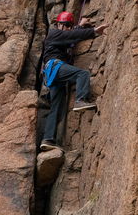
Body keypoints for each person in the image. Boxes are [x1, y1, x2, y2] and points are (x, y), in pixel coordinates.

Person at [40, 11, 109, 151]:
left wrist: (80, 26)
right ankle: (81, 99)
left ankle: (48, 139)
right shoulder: (54, 33)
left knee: (56, 107)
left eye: (69, 26)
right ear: (58, 25)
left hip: (53, 75)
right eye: (64, 25)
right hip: (56, 67)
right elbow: (70, 36)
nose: (67, 28)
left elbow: (71, 35)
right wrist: (93, 31)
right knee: (82, 74)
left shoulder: (62, 35)